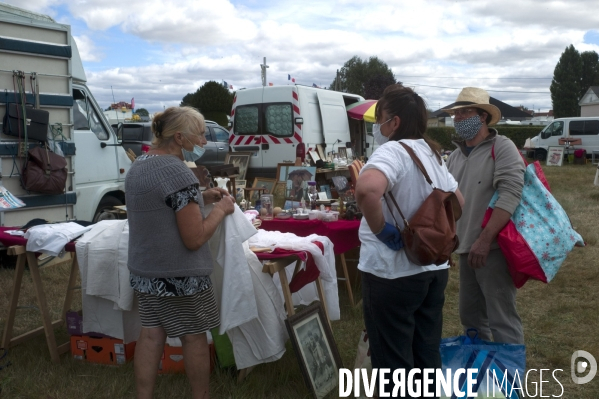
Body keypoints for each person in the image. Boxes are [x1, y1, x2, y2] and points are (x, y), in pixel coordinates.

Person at [355, 84, 464, 396]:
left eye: (381, 118)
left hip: (393, 272)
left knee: (393, 361)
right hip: (432, 269)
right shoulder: (433, 154)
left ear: (396, 122)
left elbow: (367, 190)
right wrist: (437, 231)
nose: (378, 126)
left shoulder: (392, 151)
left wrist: (380, 230)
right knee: (426, 351)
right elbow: (460, 202)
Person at [125, 106, 235, 399]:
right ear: (178, 137)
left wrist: (200, 197)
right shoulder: (178, 172)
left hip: (145, 272)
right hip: (179, 276)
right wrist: (221, 210)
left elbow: (159, 206)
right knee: (193, 337)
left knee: (150, 334)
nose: (202, 141)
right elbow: (194, 238)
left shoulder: (139, 165)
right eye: (198, 134)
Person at [444, 87, 526, 344]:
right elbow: (447, 203)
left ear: (482, 117)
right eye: (456, 113)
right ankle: (484, 378)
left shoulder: (502, 147)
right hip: (466, 249)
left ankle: (511, 381)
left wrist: (485, 239)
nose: (458, 118)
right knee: (471, 319)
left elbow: (510, 194)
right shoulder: (455, 157)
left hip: (493, 249)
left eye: (465, 112)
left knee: (502, 319)